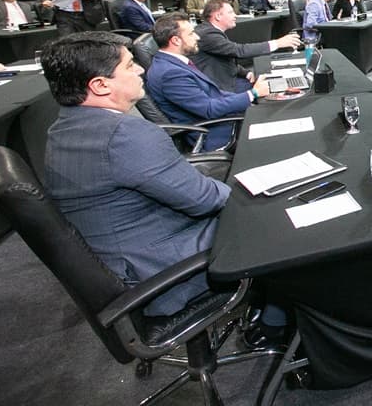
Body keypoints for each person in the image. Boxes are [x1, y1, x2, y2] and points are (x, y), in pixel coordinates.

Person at [40, 31, 230, 316]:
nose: (141, 69)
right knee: (278, 221)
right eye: (130, 65)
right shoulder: (124, 135)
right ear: (101, 85)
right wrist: (250, 187)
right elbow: (205, 200)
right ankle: (272, 325)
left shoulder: (64, 127)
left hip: (122, 262)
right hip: (164, 274)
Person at [146, 12, 257, 151]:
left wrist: (249, 97)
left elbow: (213, 93)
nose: (197, 37)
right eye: (192, 33)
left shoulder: (173, 62)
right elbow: (209, 109)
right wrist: (253, 94)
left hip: (218, 121)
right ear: (175, 40)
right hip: (212, 133)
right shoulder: (170, 74)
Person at [192, 0, 301, 93]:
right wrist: (277, 43)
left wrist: (246, 72)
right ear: (218, 16)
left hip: (229, 78)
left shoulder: (209, 30)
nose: (235, 15)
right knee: (274, 87)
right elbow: (239, 51)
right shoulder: (207, 34)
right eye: (230, 12)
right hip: (222, 88)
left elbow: (224, 58)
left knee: (274, 82)